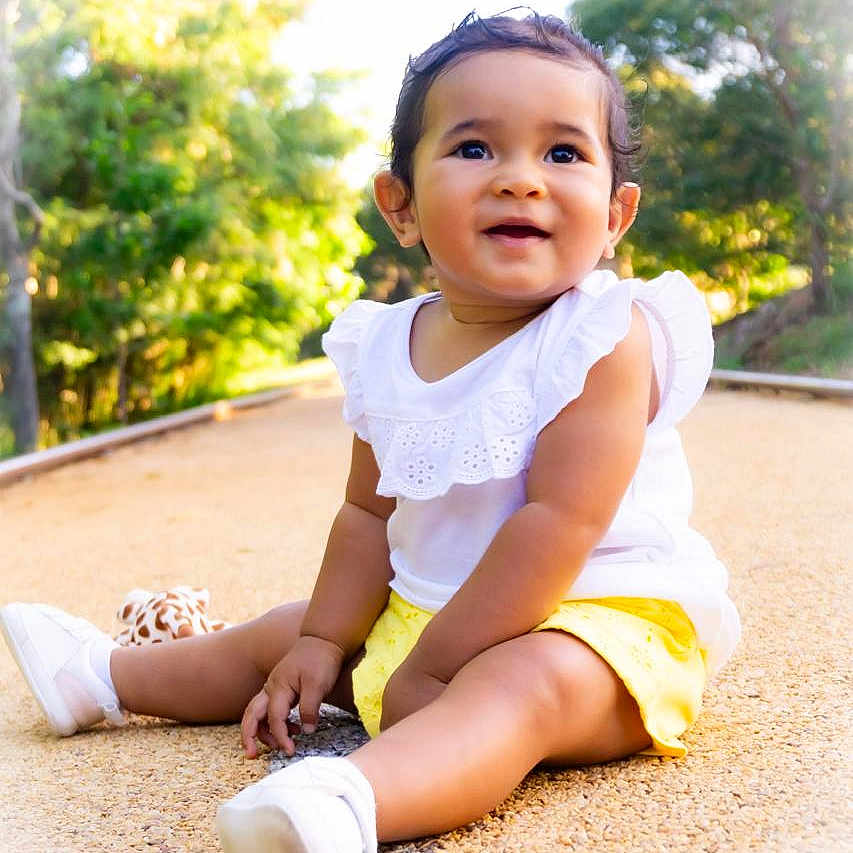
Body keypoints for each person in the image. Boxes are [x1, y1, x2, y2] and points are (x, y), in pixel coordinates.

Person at [0, 11, 741, 853]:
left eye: (562, 153)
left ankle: (349, 799)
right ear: (401, 205)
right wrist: (323, 639)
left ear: (614, 215)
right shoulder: (384, 343)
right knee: (284, 633)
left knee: (518, 683)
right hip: (424, 617)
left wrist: (429, 667)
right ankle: (102, 677)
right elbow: (367, 514)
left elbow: (557, 525)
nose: (521, 179)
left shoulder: (603, 335)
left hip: (599, 627)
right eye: (473, 148)